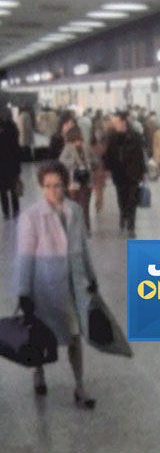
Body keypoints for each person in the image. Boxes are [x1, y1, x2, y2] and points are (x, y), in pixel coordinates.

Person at [13, 161, 98, 408]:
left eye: (58, 185)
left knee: (74, 337)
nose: (53, 191)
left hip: (72, 286)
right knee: (41, 335)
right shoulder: (31, 217)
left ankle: (80, 385)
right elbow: (24, 257)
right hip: (45, 287)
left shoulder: (75, 211)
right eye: (48, 186)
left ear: (65, 184)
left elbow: (82, 247)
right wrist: (23, 292)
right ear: (41, 187)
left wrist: (91, 277)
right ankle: (38, 373)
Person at [103, 111, 146, 238]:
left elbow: (140, 155)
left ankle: (131, 225)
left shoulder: (135, 136)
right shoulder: (112, 137)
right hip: (118, 173)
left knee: (132, 198)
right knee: (122, 197)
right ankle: (123, 215)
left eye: (116, 122)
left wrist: (143, 171)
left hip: (133, 172)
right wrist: (107, 169)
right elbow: (109, 155)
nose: (114, 125)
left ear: (123, 122)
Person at [59, 127, 98, 232]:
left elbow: (95, 160)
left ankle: (86, 228)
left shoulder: (87, 147)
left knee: (85, 205)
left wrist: (89, 163)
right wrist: (74, 163)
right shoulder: (67, 148)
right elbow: (62, 162)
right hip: (74, 181)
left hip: (86, 179)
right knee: (74, 205)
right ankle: (75, 228)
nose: (79, 141)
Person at [0, 107, 22, 219]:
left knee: (3, 190)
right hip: (12, 163)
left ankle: (6, 212)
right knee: (13, 188)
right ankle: (15, 210)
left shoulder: (6, 128)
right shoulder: (13, 127)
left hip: (3, 164)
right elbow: (17, 147)